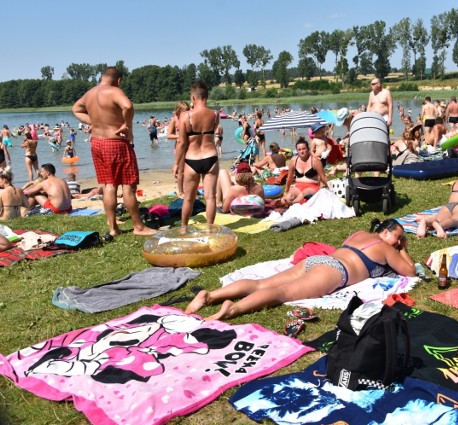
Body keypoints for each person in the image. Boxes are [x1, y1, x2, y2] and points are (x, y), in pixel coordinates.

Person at [184, 218, 416, 320]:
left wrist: (399, 244)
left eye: (400, 241)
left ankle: (211, 295)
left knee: (262, 283)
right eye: (397, 237)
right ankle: (233, 309)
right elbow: (410, 271)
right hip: (334, 271)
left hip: (317, 261)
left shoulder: (358, 234)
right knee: (282, 293)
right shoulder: (385, 248)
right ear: (385, 232)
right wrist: (403, 249)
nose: (397, 242)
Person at [72, 66, 156, 237]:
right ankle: (139, 227)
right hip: (115, 142)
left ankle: (113, 228)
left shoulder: (90, 93)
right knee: (128, 185)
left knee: (109, 185)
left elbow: (75, 109)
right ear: (119, 80)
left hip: (97, 142)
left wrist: (93, 121)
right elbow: (128, 106)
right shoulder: (114, 91)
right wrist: (127, 125)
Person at [173, 81, 220, 230]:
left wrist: (176, 164)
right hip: (210, 157)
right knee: (211, 197)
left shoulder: (186, 116)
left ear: (193, 97)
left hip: (192, 159)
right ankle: (210, 228)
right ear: (207, 96)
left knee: (188, 198)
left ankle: (184, 227)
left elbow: (181, 143)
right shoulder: (215, 114)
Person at [416, 164, 458, 239]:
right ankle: (440, 226)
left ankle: (426, 220)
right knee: (455, 220)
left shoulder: (455, 182)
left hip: (449, 205)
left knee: (438, 219)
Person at [281, 137, 328, 205]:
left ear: (308, 149)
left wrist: (329, 189)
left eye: (304, 149)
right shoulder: (294, 160)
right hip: (298, 186)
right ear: (296, 151)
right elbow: (289, 178)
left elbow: (323, 177)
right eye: (299, 149)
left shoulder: (315, 161)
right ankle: (288, 202)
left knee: (303, 194)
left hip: (312, 186)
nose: (302, 151)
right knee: (289, 196)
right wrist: (286, 191)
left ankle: (293, 203)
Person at [167, 101, 190, 198]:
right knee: (181, 170)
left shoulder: (190, 118)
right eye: (184, 111)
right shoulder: (174, 120)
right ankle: (181, 191)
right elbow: (168, 135)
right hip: (180, 146)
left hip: (191, 145)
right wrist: (180, 136)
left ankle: (189, 189)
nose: (186, 113)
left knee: (190, 169)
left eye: (187, 111)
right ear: (178, 111)